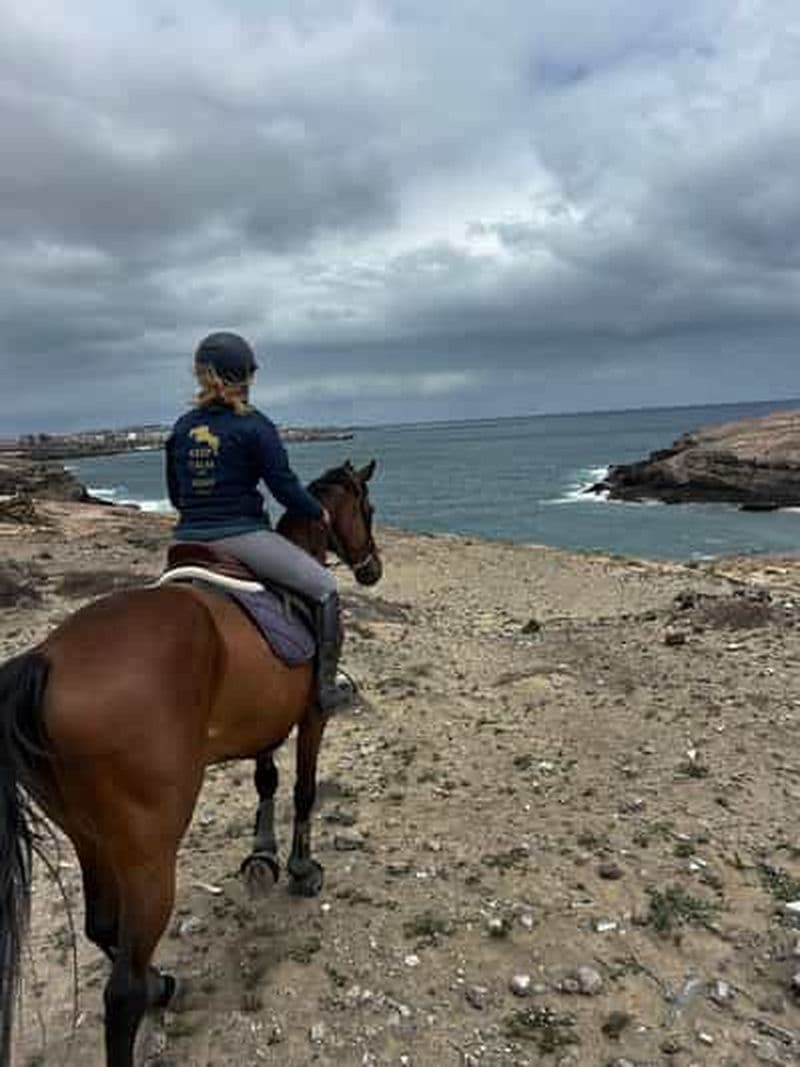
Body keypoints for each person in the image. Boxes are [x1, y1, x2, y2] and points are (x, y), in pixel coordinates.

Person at [165, 330, 353, 712]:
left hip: (184, 543)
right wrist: (316, 511)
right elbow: (284, 488)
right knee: (325, 586)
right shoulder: (254, 425)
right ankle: (325, 689)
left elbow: (174, 494)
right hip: (240, 535)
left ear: (202, 374)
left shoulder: (183, 427)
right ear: (247, 376)